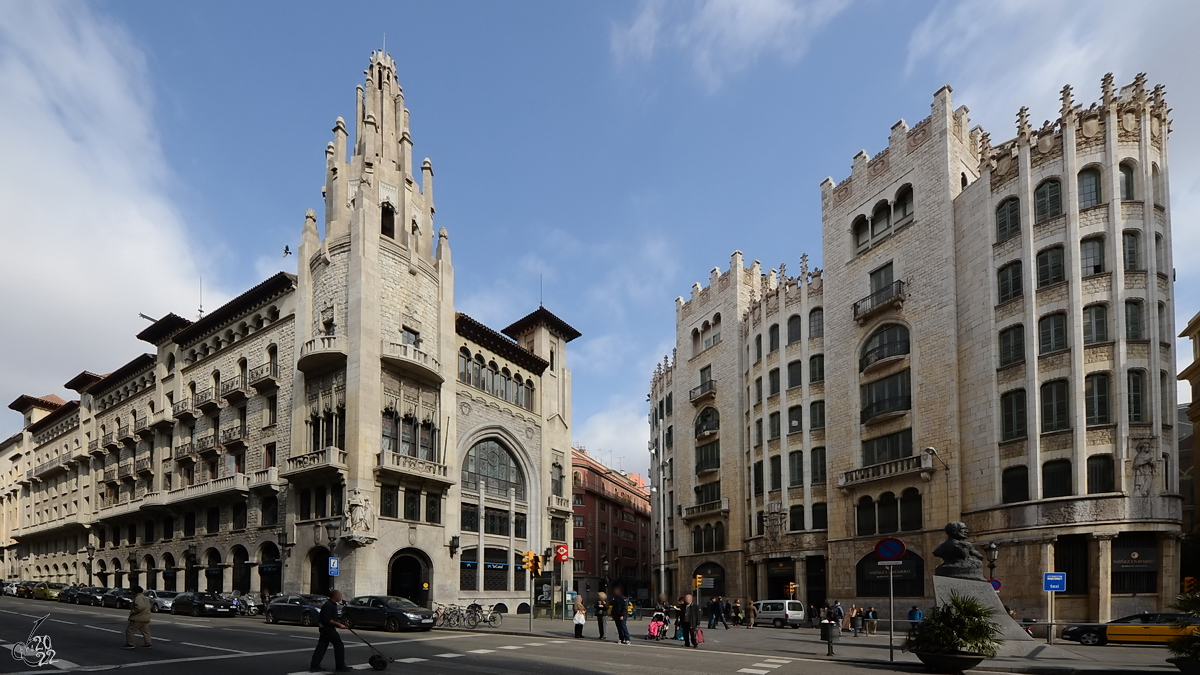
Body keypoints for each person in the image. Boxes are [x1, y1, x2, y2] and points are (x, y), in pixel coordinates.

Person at [309, 589, 350, 673]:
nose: (341, 597)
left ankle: (315, 665)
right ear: (335, 596)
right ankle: (340, 666)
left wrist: (338, 623)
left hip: (326, 628)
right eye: (339, 595)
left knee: (322, 646)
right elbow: (327, 619)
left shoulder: (332, 605)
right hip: (327, 628)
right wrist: (339, 625)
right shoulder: (329, 605)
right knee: (339, 645)